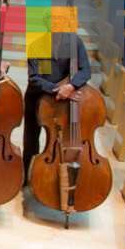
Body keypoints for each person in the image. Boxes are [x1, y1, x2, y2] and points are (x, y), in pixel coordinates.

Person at [24, 32, 91, 180]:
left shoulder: (75, 42)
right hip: (37, 97)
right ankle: (26, 176)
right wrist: (59, 89)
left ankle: (53, 175)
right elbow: (35, 78)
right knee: (31, 140)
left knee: (58, 137)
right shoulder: (37, 44)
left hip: (63, 100)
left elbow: (85, 70)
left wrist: (72, 86)